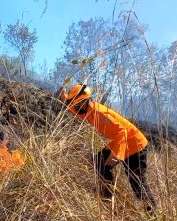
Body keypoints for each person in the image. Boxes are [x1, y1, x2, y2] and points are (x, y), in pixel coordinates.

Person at [58, 84, 156, 213]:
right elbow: (73, 109)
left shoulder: (99, 113)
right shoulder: (86, 110)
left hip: (135, 145)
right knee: (99, 161)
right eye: (74, 104)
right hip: (121, 142)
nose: (75, 107)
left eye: (77, 104)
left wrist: (116, 155)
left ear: (85, 101)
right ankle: (107, 198)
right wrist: (64, 98)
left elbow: (122, 131)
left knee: (136, 182)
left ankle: (153, 215)